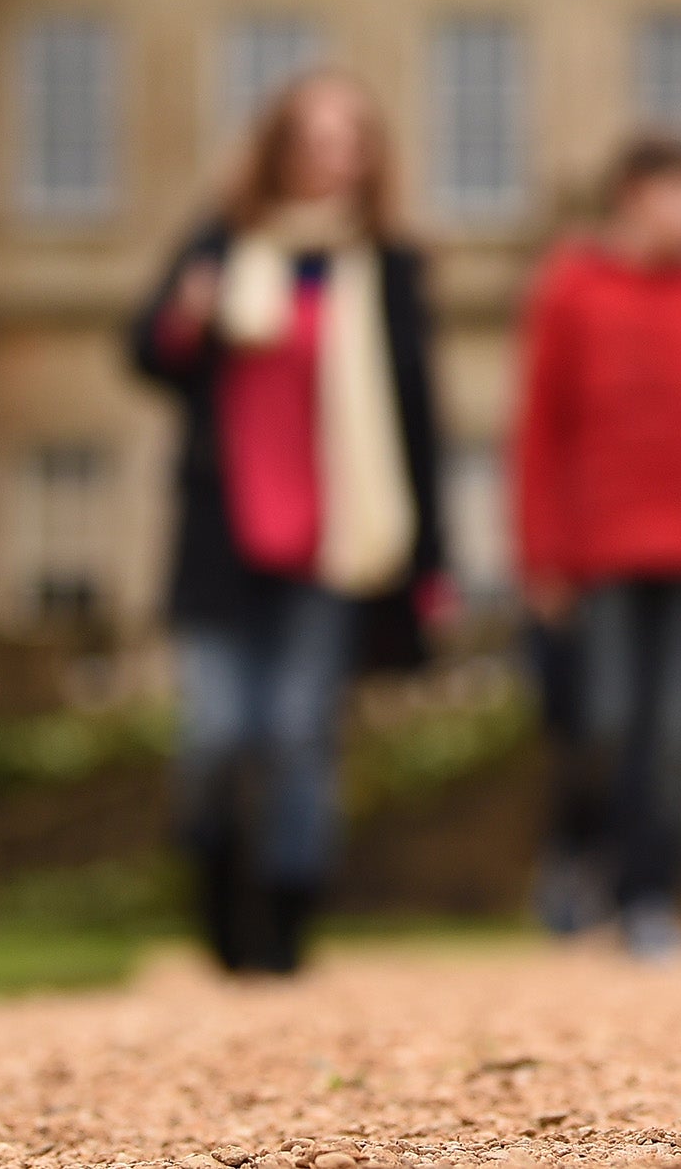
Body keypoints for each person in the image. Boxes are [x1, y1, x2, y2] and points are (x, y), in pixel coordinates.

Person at [126, 72, 447, 977]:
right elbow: (147, 352)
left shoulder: (387, 266)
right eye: (313, 137)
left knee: (300, 737)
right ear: (279, 147)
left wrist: (431, 560)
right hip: (226, 536)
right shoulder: (225, 246)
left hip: (336, 541)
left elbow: (419, 418)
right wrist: (188, 321)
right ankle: (218, 912)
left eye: (349, 139)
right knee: (218, 734)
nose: (331, 156)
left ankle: (286, 925)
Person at [511, 134, 681, 960]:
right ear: (634, 194)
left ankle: (650, 899)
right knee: (604, 724)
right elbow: (539, 431)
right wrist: (541, 555)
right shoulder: (571, 289)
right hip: (601, 553)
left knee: (674, 737)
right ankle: (578, 860)